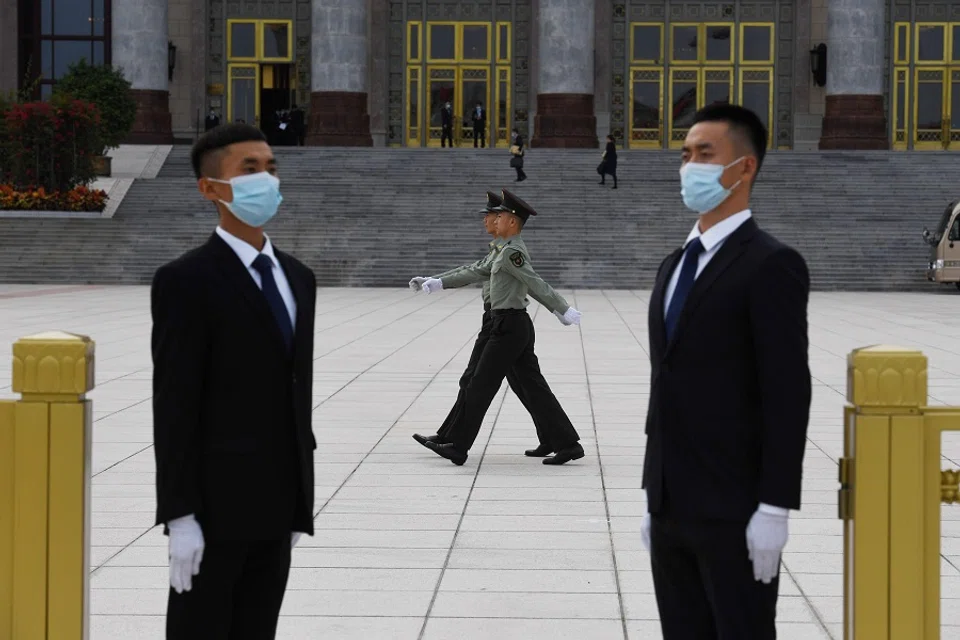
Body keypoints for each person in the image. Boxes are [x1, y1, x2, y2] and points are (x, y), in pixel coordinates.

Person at [640, 103, 811, 640]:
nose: (690, 166)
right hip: (672, 504)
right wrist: (653, 496)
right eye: (686, 154)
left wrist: (775, 507)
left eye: (705, 154)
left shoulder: (770, 264)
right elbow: (665, 382)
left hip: (736, 510)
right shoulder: (674, 263)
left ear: (744, 168)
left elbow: (787, 394)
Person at [151, 123, 317, 640]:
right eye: (249, 170)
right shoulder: (186, 281)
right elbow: (175, 403)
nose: (265, 180)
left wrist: (299, 502)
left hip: (278, 501)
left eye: (271, 168)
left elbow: (295, 391)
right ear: (211, 188)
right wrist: (179, 515)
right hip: (212, 509)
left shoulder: (297, 277)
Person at [418, 189, 584, 466]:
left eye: (498, 217)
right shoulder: (501, 251)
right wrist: (438, 281)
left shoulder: (512, 253)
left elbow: (534, 282)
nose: (491, 221)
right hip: (505, 323)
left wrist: (561, 308)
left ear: (511, 222)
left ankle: (457, 445)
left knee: (480, 384)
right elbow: (473, 270)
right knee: (528, 386)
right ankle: (563, 442)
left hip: (509, 326)